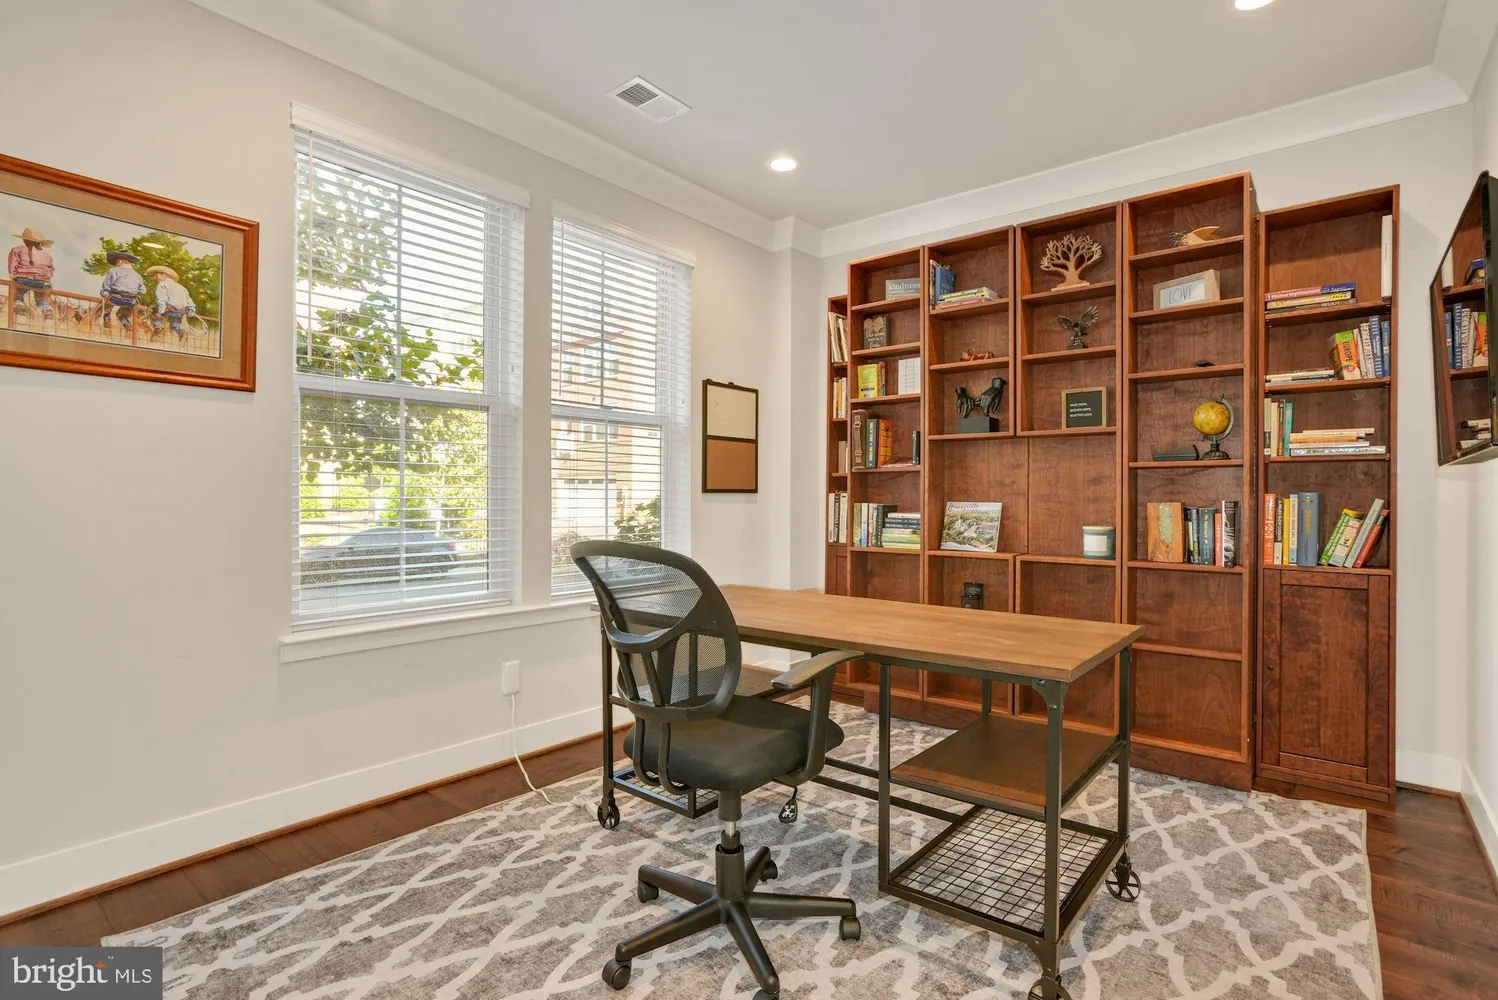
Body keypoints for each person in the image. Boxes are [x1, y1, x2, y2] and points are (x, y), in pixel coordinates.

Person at [7, 227, 56, 321]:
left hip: (23, 280)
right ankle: (47, 312)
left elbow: (12, 267)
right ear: (40, 242)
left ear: (24, 240)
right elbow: (51, 271)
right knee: (41, 298)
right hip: (42, 282)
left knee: (18, 295)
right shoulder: (47, 255)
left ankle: (20, 311)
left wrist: (13, 278)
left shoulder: (16, 250)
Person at [99, 250, 146, 332]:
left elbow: (106, 285)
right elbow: (143, 291)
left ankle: (106, 318)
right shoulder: (138, 275)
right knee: (122, 314)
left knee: (107, 305)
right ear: (131, 263)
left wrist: (104, 294)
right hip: (131, 301)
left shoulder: (114, 271)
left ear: (119, 261)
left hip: (115, 299)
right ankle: (127, 324)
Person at [146, 265, 195, 341]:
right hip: (180, 312)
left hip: (169, 309)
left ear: (164, 275)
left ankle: (158, 328)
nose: (155, 278)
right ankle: (181, 334)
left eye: (156, 275)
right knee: (174, 325)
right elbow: (190, 302)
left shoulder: (161, 285)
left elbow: (161, 300)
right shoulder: (182, 288)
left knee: (151, 310)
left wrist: (160, 312)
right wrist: (191, 312)